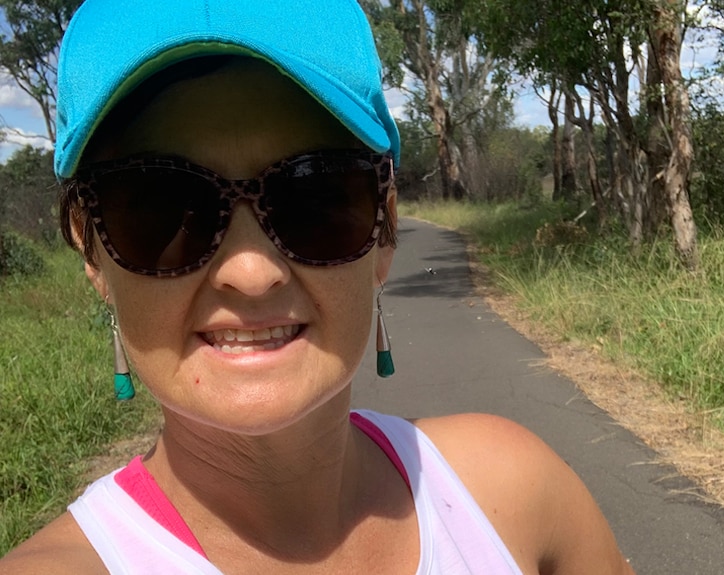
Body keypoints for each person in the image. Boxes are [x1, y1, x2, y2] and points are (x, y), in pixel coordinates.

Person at [0, 1, 635, 573]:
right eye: (163, 210)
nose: (251, 272)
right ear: (91, 249)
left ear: (384, 228)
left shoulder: (516, 493)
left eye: (315, 196)